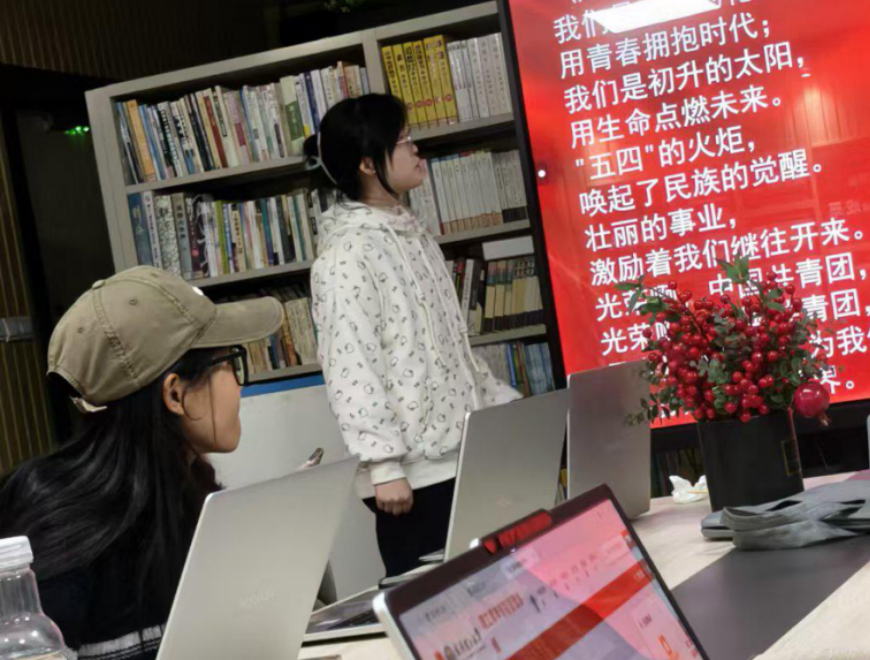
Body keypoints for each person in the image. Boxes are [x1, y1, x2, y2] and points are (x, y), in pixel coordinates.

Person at [0, 267, 283, 660]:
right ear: (175, 394)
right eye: (229, 365)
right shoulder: (57, 537)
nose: (238, 386)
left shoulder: (190, 496)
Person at [305, 94, 520, 578]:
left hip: (460, 459)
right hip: (411, 479)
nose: (415, 148)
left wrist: (505, 409)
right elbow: (351, 367)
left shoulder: (413, 235)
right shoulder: (345, 256)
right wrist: (383, 467)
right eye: (402, 140)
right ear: (367, 164)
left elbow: (451, 348)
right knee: (441, 606)